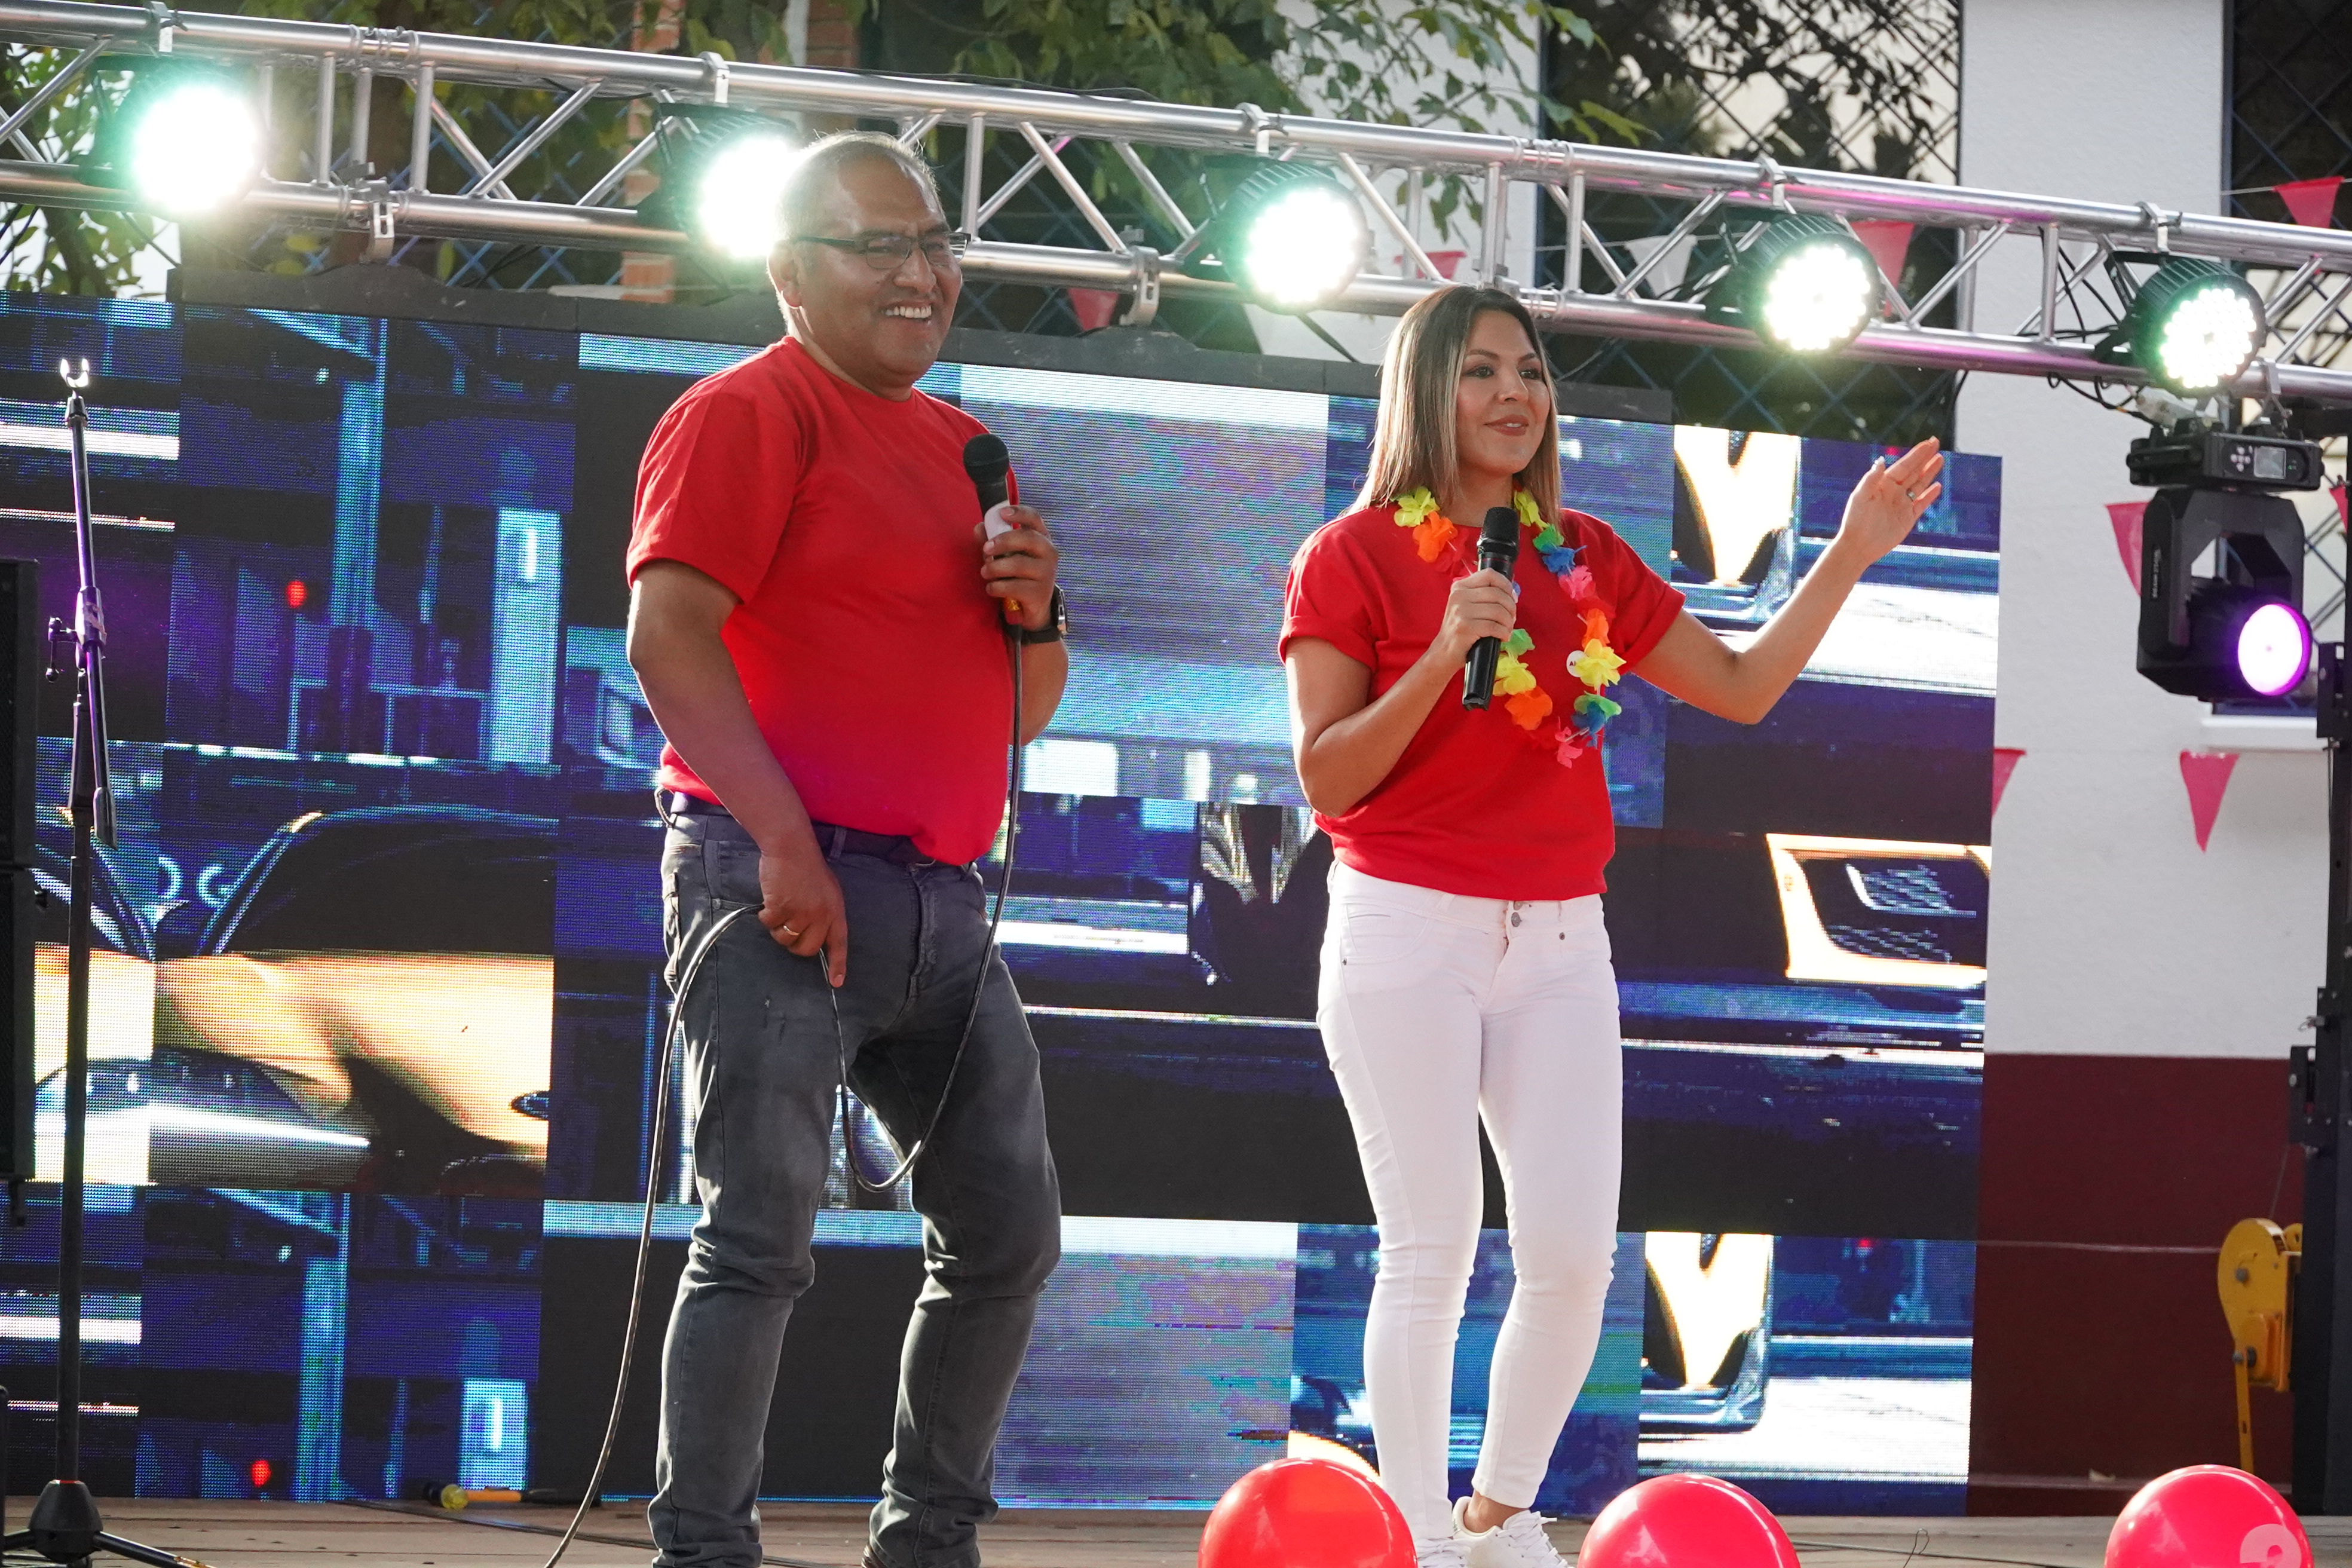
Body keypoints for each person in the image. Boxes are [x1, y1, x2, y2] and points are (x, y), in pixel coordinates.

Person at [1279, 284, 1941, 1568]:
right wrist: (1444, 654)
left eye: (1531, 371)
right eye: (1482, 371)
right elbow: (1328, 776)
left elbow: (1742, 686)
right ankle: (1416, 1537)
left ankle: (1496, 1516)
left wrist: (1853, 551)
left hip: (1561, 942)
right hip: (1406, 926)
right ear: (1424, 390)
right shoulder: (1349, 556)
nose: (1516, 394)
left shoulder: (1583, 555)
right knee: (1431, 1248)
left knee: (1577, 1258)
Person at [624, 130, 1071, 1568]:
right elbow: (668, 638)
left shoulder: (966, 452)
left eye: (934, 244)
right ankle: (705, 1549)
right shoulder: (746, 413)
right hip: (777, 885)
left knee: (1008, 1232)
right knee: (758, 1234)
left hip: (942, 899)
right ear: (789, 274)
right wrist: (778, 837)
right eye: (879, 246)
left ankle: (926, 1537)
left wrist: (1038, 613)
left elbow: (1023, 710)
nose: (919, 273)